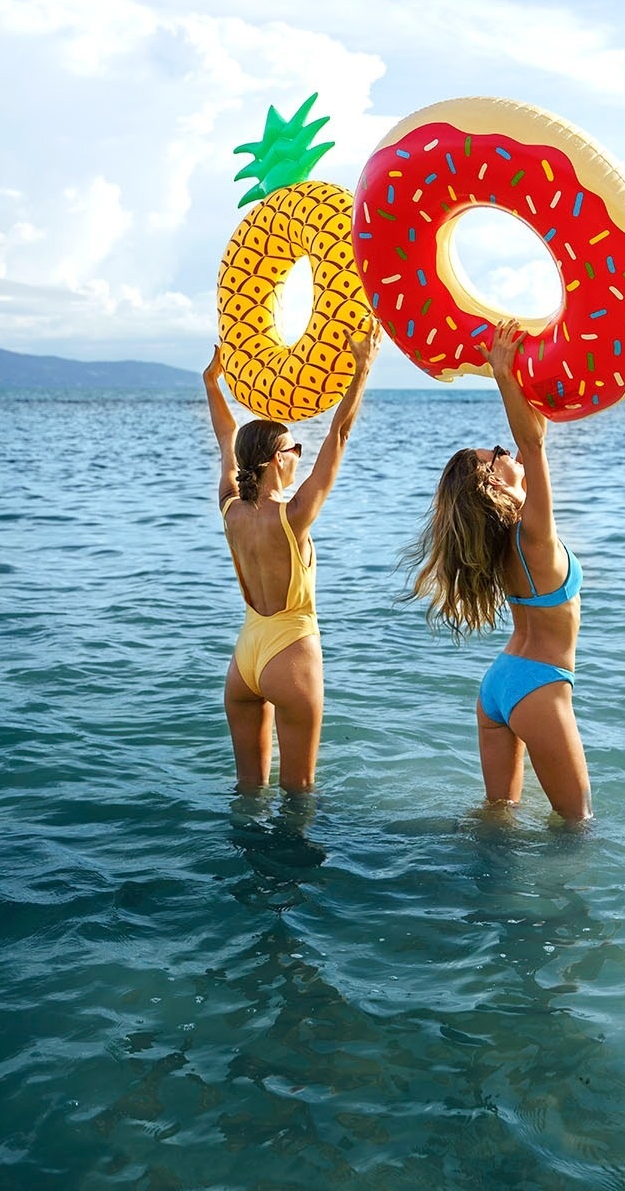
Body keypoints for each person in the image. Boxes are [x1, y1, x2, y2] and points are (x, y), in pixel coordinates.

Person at [407, 318, 592, 821]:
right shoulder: (533, 536)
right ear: (492, 479)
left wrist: (527, 378)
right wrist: (502, 372)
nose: (509, 451)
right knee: (576, 828)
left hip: (500, 685)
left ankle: (482, 896)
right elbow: (532, 446)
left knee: (497, 820)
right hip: (539, 686)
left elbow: (533, 440)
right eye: (499, 454)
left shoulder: (503, 540)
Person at [203, 319, 381, 791]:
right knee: (299, 795)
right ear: (278, 460)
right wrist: (363, 369)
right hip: (291, 655)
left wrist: (210, 382)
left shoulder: (230, 509)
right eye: (294, 447)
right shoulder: (295, 513)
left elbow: (226, 439)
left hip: (244, 661)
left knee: (248, 792)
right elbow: (339, 436)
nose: (301, 451)